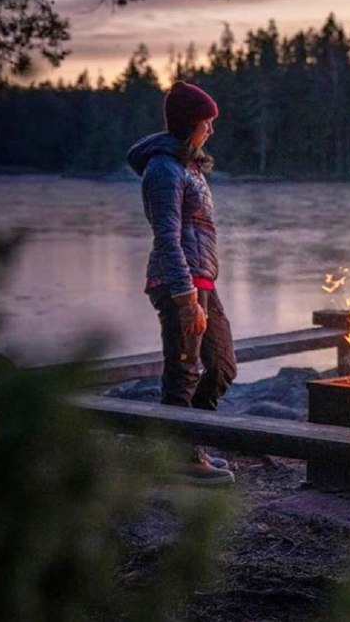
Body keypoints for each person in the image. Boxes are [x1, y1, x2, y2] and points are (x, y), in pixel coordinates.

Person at [127, 81, 237, 484]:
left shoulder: (188, 166)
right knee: (184, 370)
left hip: (202, 281)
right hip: (180, 284)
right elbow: (167, 238)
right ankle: (182, 460)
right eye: (206, 122)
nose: (210, 129)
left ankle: (194, 444)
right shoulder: (163, 169)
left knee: (222, 365)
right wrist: (186, 298)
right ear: (190, 123)